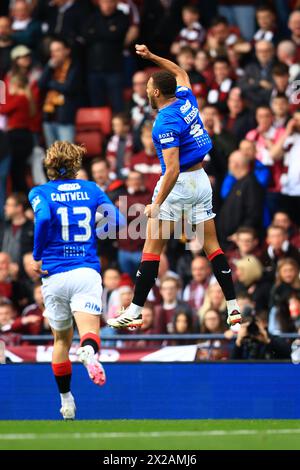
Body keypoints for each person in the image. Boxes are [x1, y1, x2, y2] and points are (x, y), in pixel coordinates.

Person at [108, 43, 241, 329]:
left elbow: (172, 169)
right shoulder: (186, 99)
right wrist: (153, 57)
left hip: (178, 184)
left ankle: (135, 309)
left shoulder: (163, 123)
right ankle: (233, 306)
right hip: (202, 180)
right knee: (212, 246)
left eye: (148, 86)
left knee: (153, 247)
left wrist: (156, 204)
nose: (145, 90)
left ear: (156, 92)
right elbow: (180, 71)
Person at [28, 141, 124, 420]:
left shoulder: (40, 192)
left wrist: (37, 255)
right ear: (75, 166)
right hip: (85, 271)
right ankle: (89, 352)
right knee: (89, 332)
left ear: (49, 167)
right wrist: (92, 226)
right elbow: (117, 220)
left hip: (54, 275)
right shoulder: (92, 189)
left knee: (60, 340)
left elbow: (44, 219)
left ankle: (66, 401)